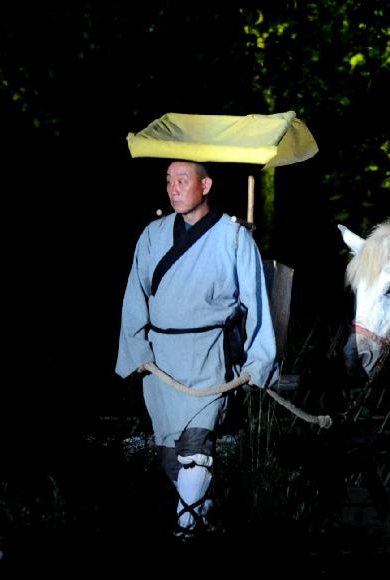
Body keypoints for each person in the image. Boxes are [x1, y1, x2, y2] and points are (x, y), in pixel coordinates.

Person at [116, 160, 279, 537]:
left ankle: (184, 532)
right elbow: (134, 297)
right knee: (172, 456)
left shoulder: (234, 238)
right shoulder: (152, 235)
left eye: (182, 181)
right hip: (161, 359)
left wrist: (258, 361)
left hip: (208, 354)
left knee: (196, 448)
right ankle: (204, 519)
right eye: (169, 181)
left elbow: (256, 303)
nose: (173, 189)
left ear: (205, 186)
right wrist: (136, 347)